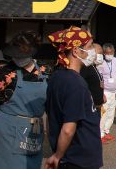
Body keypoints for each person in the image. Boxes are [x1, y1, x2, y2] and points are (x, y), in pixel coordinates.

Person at [0, 31, 46, 169]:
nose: (19, 58)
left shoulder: (46, 71)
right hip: (7, 129)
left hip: (34, 129)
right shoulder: (4, 72)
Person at [44, 26, 103, 169]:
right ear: (76, 51)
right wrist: (58, 155)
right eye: (89, 47)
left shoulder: (57, 76)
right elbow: (68, 128)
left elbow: (49, 117)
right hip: (79, 158)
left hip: (70, 155)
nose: (93, 51)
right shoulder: (75, 83)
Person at [98, 43, 116, 143]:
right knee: (104, 113)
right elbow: (100, 79)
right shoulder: (101, 62)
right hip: (106, 91)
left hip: (114, 91)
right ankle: (100, 134)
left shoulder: (115, 60)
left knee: (111, 113)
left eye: (111, 53)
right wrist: (101, 93)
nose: (109, 54)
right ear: (104, 53)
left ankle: (107, 131)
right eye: (107, 53)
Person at [80, 43, 106, 128]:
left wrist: (102, 94)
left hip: (97, 105)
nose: (100, 56)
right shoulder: (85, 67)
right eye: (99, 53)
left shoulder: (93, 67)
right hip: (91, 108)